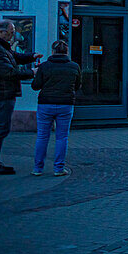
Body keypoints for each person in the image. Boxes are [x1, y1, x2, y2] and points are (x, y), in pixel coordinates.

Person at [0, 19, 41, 175]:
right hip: (2, 94)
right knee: (1, 128)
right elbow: (8, 73)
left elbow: (15, 56)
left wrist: (32, 56)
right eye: (11, 32)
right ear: (1, 32)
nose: (13, 36)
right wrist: (32, 72)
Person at [30, 40, 81, 177]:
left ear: (52, 51)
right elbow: (77, 86)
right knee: (62, 137)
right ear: (67, 51)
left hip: (46, 103)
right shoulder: (74, 66)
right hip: (66, 103)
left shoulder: (45, 66)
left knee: (42, 136)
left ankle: (37, 168)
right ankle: (58, 168)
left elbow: (35, 86)